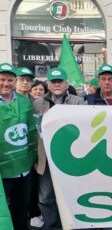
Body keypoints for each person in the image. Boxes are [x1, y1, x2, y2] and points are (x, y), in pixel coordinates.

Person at [33, 68, 85, 229]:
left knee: (72, 193)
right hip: (46, 158)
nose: (57, 85)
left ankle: (73, 224)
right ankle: (51, 225)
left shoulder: (78, 102)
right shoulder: (37, 103)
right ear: (48, 84)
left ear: (66, 83)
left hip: (71, 158)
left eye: (60, 81)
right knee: (46, 197)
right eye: (53, 82)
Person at [0, 62, 37, 230]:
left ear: (15, 82)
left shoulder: (24, 101)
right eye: (2, 79)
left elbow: (32, 131)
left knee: (22, 210)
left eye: (9, 80)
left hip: (25, 168)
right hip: (4, 170)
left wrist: (34, 158)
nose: (6, 84)